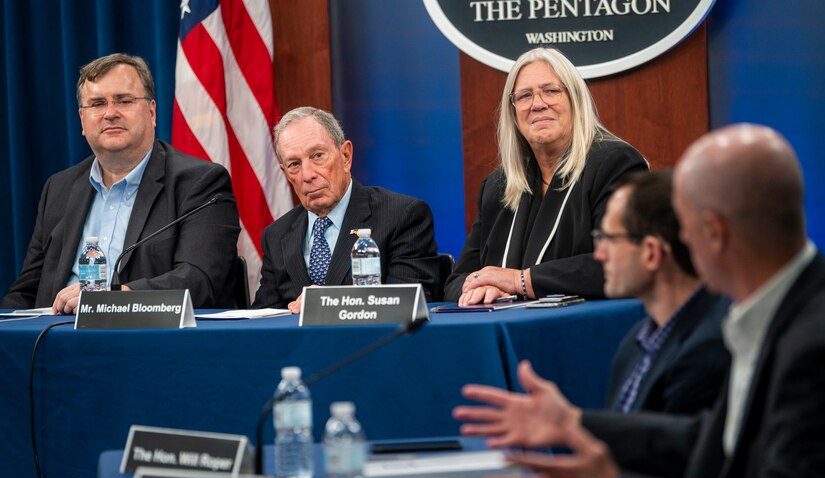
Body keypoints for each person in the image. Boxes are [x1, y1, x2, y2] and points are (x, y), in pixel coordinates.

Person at [454, 124, 825, 478]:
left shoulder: (810, 342)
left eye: (683, 224)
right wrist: (575, 422)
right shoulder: (771, 317)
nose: (677, 241)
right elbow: (716, 440)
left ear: (714, 233)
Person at [1, 53, 240, 313]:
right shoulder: (58, 189)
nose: (110, 113)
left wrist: (114, 297)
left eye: (124, 101)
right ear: (82, 120)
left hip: (151, 343)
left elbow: (200, 281)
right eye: (97, 104)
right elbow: (26, 292)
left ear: (151, 112)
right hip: (58, 340)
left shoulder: (200, 183)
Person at [444, 47, 646, 305]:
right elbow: (457, 281)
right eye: (525, 95)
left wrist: (520, 281)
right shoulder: (497, 187)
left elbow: (624, 261)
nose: (538, 104)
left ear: (575, 99)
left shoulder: (615, 164)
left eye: (551, 91)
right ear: (514, 113)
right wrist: (484, 288)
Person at [252, 107, 440, 312]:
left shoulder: (402, 216)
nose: (307, 175)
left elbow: (408, 302)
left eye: (317, 156)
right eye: (294, 164)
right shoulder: (276, 235)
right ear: (286, 173)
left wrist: (326, 303)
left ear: (345, 156)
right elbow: (263, 318)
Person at [596, 170, 729, 414]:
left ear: (651, 253)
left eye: (609, 239)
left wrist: (573, 424)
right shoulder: (635, 342)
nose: (599, 254)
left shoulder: (706, 353)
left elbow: (660, 451)